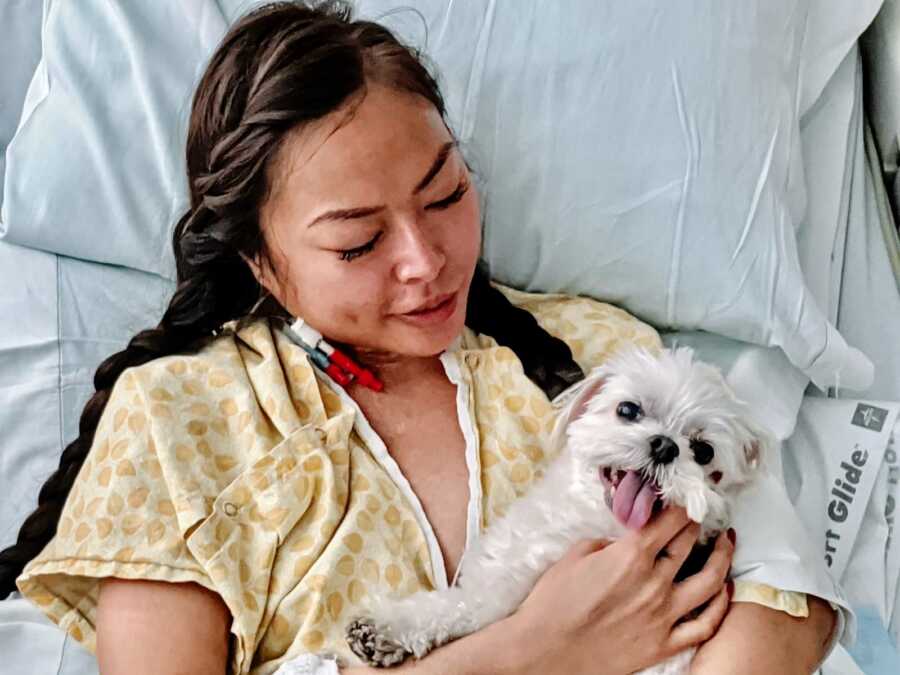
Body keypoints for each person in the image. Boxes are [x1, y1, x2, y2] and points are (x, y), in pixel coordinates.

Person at [0, 2, 838, 674]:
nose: (427, 261)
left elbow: (787, 598)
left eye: (445, 195)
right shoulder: (178, 417)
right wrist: (533, 654)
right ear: (261, 259)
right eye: (359, 243)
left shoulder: (601, 352)